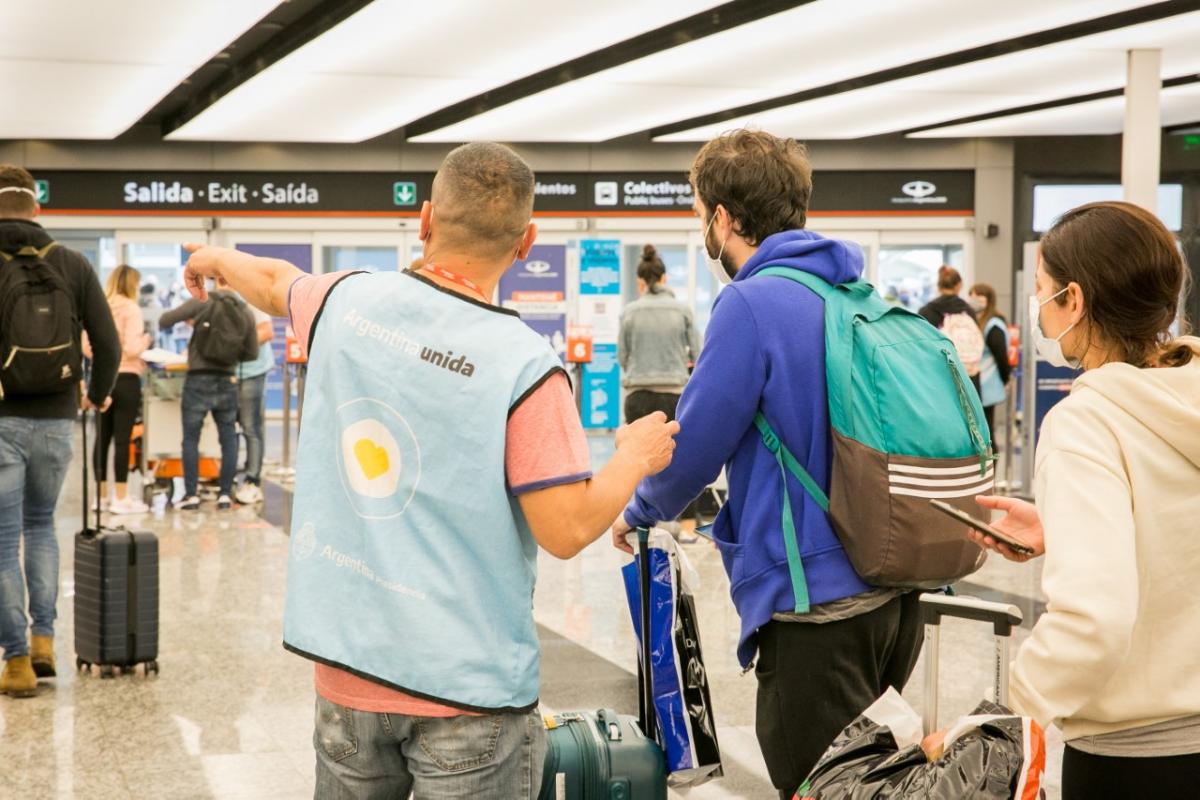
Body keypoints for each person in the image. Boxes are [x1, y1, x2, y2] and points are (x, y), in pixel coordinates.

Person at [181, 142, 679, 799]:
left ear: (425, 219)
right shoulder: (524, 363)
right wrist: (634, 457)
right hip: (467, 691)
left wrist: (215, 258)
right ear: (526, 241)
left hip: (348, 677)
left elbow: (274, 282)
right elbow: (565, 528)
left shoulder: (344, 300)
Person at [611, 130, 924, 799]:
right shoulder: (850, 293)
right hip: (894, 595)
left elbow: (696, 443)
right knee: (866, 785)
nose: (703, 228)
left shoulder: (751, 303)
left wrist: (636, 509)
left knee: (813, 785)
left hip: (815, 603)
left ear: (723, 219)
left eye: (702, 214)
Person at [960, 201, 1200, 799]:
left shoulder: (1086, 421)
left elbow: (1095, 619)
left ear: (1074, 300)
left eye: (1042, 290)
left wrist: (1003, 717)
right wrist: (1062, 528)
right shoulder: (1184, 395)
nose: (1037, 306)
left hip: (1137, 758)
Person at [0, 165, 120, 697]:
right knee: (40, 525)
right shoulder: (71, 262)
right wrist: (97, 393)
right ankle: (44, 640)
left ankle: (16, 660)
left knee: (3, 538)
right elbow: (108, 343)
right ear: (37, 208)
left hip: (2, 417)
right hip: (55, 416)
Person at [618, 244, 701, 540]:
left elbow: (623, 357)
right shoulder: (682, 311)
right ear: (664, 278)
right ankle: (687, 528)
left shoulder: (629, 312)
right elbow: (698, 353)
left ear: (641, 282)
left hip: (638, 395)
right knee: (682, 460)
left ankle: (642, 524)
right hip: (674, 396)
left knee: (638, 463)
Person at [158, 287, 257, 511]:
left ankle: (191, 495)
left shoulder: (201, 301)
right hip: (227, 379)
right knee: (229, 439)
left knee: (191, 439)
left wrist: (193, 322)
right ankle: (225, 495)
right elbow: (252, 353)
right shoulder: (244, 311)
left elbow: (165, 320)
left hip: (198, 379)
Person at [83, 264, 152, 514]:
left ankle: (101, 498)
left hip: (102, 377)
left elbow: (87, 347)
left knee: (101, 439)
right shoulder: (131, 309)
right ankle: (121, 498)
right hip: (127, 379)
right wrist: (146, 340)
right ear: (132, 284)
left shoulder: (100, 306)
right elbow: (132, 348)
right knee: (123, 439)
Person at [919, 266, 984, 391]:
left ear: (938, 285)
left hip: (939, 378)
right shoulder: (968, 311)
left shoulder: (926, 311)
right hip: (968, 376)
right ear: (959, 285)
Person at [234, 305, 274, 505]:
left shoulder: (250, 300)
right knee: (228, 427)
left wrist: (234, 345)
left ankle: (252, 480)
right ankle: (228, 476)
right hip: (227, 371)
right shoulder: (216, 296)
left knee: (250, 426)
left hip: (252, 372)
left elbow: (266, 331)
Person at [968, 282, 1012, 444]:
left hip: (987, 384)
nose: (974, 301)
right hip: (977, 384)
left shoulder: (993, 325)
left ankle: (991, 460)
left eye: (978, 297)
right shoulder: (976, 321)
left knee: (987, 433)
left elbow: (1001, 357)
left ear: (988, 300)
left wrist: (1005, 378)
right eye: (971, 297)